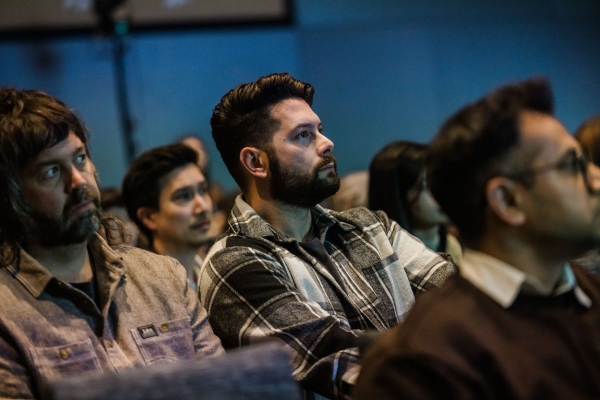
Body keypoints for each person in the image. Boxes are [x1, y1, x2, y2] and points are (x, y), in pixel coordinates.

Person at [198, 72, 455, 399]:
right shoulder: (234, 264)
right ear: (255, 162)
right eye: (303, 135)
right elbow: (334, 356)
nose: (326, 142)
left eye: (319, 130)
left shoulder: (368, 227)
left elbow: (459, 297)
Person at [354, 78, 600, 399]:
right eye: (573, 165)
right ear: (508, 202)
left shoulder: (586, 290)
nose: (596, 179)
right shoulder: (423, 363)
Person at [0, 88, 224, 399]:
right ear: (11, 197)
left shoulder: (163, 276)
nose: (78, 181)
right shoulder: (6, 315)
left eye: (80, 159)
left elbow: (227, 389)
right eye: (51, 171)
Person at [122, 144, 213, 289]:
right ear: (148, 217)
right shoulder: (144, 290)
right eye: (184, 196)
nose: (203, 207)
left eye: (202, 190)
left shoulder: (214, 272)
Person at [368, 141, 462, 263]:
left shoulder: (452, 246)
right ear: (397, 195)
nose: (443, 193)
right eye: (428, 186)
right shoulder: (380, 257)